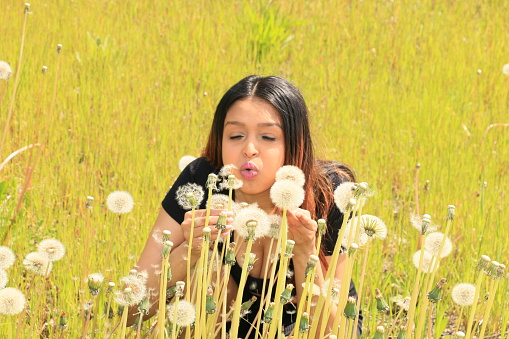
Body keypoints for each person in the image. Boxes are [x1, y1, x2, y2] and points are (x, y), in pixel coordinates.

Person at [130, 75, 362, 337]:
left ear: (296, 142)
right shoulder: (202, 182)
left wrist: (304, 252)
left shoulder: (327, 192)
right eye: (236, 135)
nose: (250, 149)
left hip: (296, 327)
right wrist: (190, 252)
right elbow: (128, 311)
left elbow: (339, 332)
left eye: (267, 136)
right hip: (218, 327)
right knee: (209, 271)